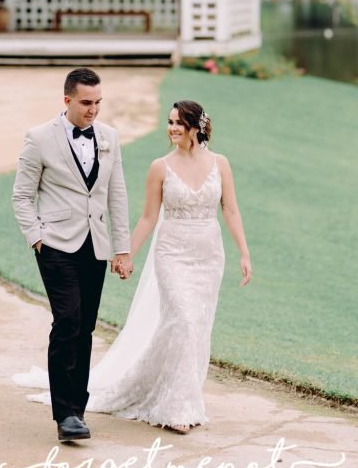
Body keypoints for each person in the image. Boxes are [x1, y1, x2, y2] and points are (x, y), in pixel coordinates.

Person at [86, 99, 251, 433]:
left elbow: (230, 210)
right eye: (170, 122)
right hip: (172, 254)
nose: (172, 128)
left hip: (208, 256)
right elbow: (148, 217)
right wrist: (125, 253)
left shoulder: (220, 164)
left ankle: (185, 397)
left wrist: (244, 254)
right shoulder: (160, 167)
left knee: (195, 329)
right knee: (184, 321)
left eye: (179, 123)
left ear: (195, 127)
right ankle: (175, 408)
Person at [12, 68, 133, 443]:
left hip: (94, 246)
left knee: (86, 329)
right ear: (67, 100)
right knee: (67, 321)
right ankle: (64, 415)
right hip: (56, 245)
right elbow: (21, 196)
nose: (93, 110)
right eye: (86, 103)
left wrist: (122, 247)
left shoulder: (110, 137)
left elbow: (117, 194)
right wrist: (37, 239)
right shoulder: (38, 138)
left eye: (98, 102)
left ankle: (76, 410)